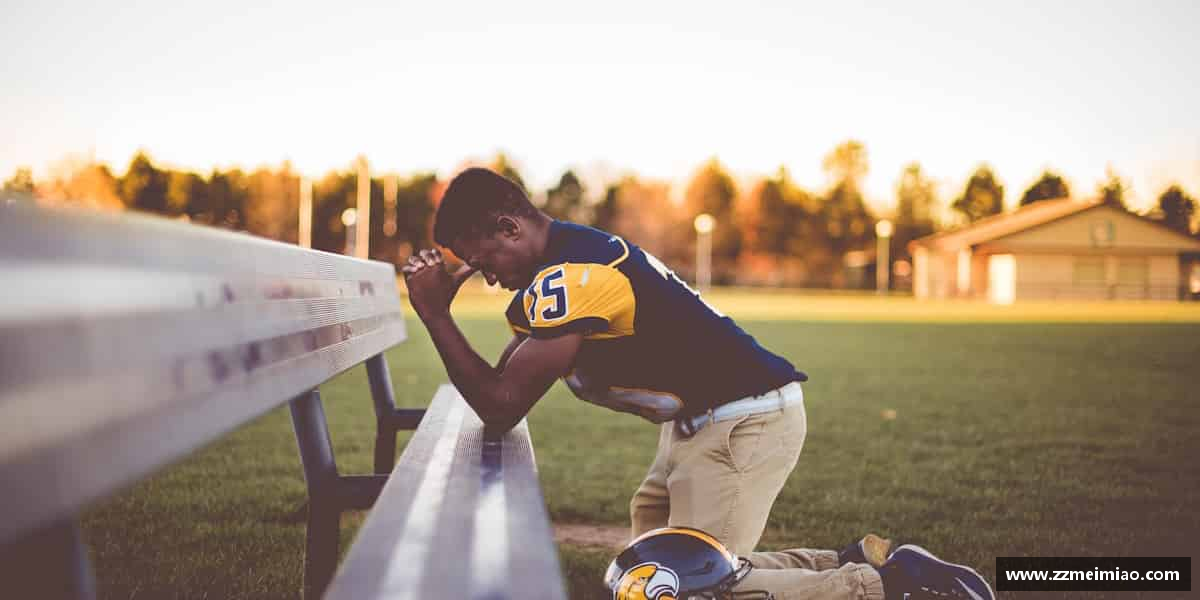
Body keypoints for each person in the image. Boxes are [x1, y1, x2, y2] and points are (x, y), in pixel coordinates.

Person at [401, 167, 993, 600]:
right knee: (651, 573)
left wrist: (434, 314)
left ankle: (890, 590)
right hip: (703, 426)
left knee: (688, 588)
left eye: (483, 263)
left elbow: (501, 404)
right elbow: (505, 380)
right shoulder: (563, 259)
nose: (487, 279)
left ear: (508, 228)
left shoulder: (571, 274)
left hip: (743, 423)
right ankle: (857, 562)